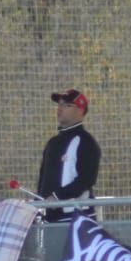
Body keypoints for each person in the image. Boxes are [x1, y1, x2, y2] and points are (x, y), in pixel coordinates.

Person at [36, 89, 100, 222]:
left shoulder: (86, 141)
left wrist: (57, 197)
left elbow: (86, 180)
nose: (60, 108)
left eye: (67, 105)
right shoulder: (53, 142)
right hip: (50, 218)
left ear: (81, 111)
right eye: (59, 104)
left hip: (76, 217)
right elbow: (44, 179)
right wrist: (37, 204)